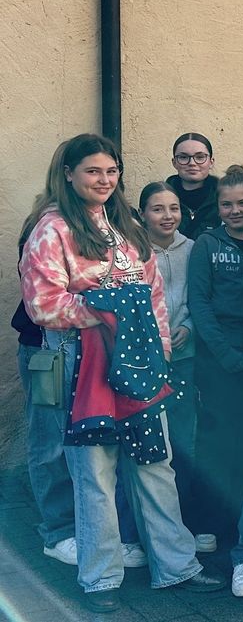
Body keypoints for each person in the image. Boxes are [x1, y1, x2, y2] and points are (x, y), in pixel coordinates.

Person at [20, 133, 224, 613]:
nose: (104, 180)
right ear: (68, 174)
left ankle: (176, 566)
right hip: (81, 364)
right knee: (95, 472)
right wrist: (112, 306)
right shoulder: (52, 230)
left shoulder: (126, 225)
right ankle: (100, 577)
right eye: (93, 171)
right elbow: (43, 305)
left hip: (140, 360)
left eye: (111, 171)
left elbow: (151, 291)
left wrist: (161, 347)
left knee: (155, 463)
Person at [186, 167, 243, 567]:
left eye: (242, 203)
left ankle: (241, 523)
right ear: (217, 207)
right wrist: (226, 355)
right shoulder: (206, 244)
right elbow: (199, 304)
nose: (235, 211)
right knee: (216, 443)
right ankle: (208, 522)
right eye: (226, 204)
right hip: (218, 361)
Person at [13, 141, 77, 567]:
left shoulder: (98, 222)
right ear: (68, 174)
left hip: (80, 348)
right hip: (43, 351)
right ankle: (56, 531)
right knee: (49, 439)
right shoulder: (45, 224)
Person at [138, 183, 197, 513]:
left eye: (173, 208)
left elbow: (200, 298)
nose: (167, 215)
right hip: (147, 360)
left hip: (184, 359)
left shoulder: (193, 248)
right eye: (158, 209)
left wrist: (189, 328)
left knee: (183, 439)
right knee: (149, 442)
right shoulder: (134, 251)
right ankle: (149, 520)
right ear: (143, 213)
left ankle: (184, 514)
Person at [168, 132, 220, 239]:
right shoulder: (160, 200)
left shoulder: (224, 199)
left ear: (211, 162)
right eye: (183, 157)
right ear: (174, 162)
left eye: (200, 157)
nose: (192, 163)